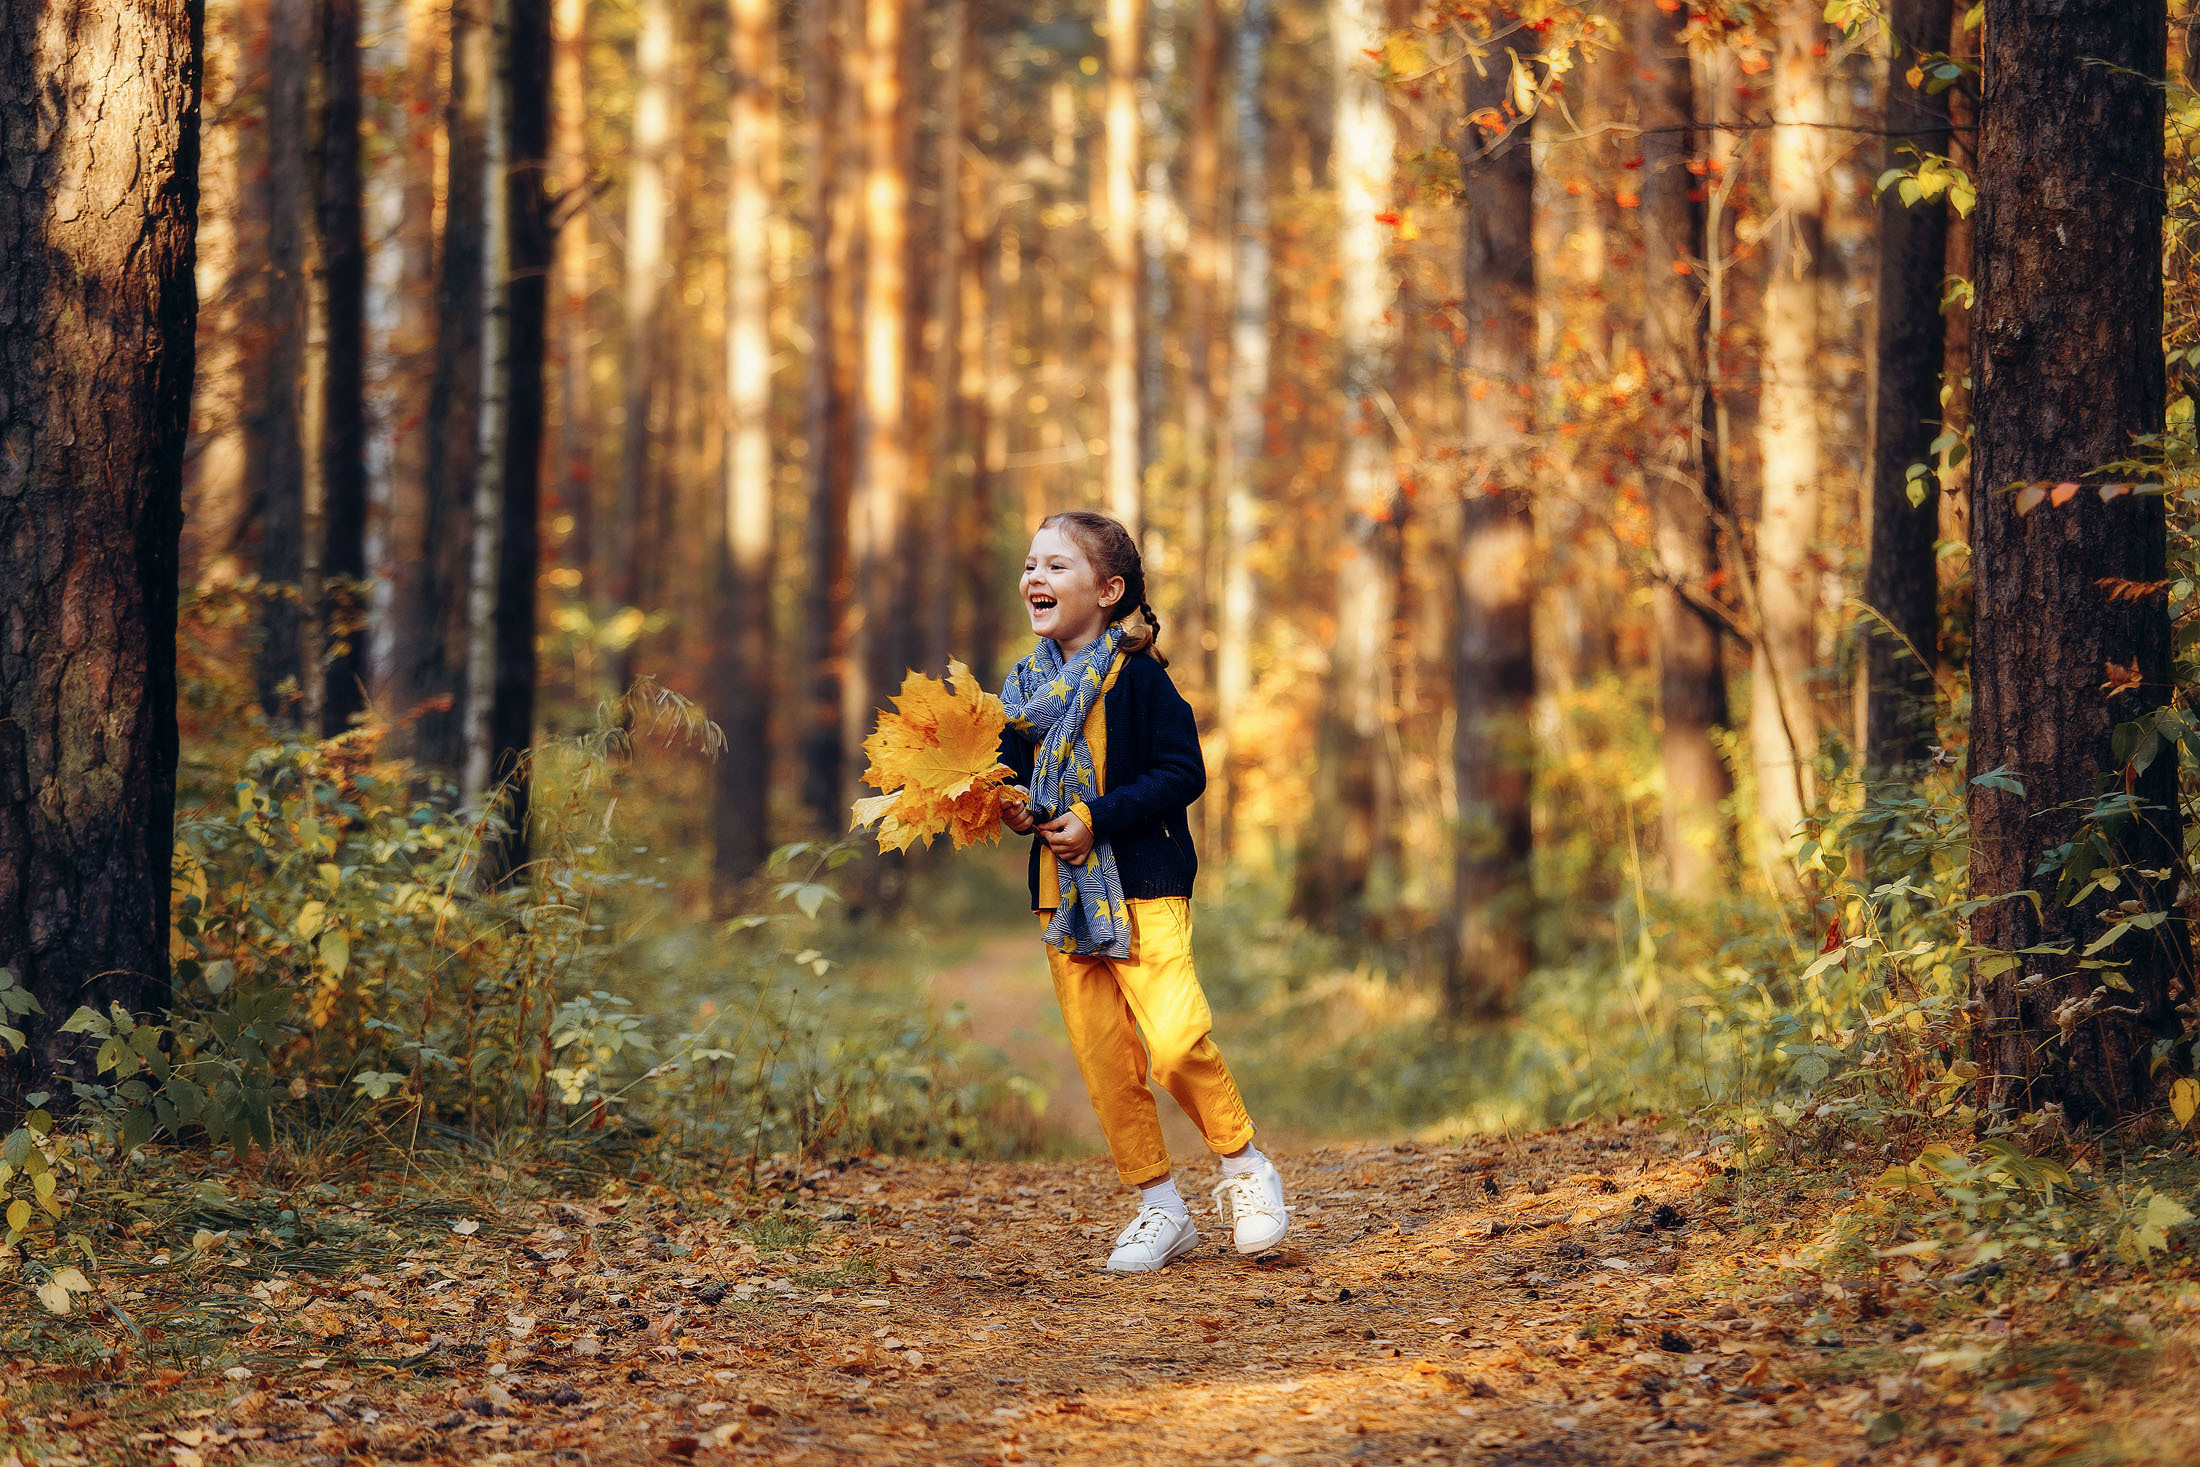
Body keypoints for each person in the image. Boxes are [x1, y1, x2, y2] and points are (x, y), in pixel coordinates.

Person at [998, 509, 1289, 1273]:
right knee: (1105, 1059)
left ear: (1108, 589)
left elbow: (1182, 771)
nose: (1036, 577)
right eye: (1030, 565)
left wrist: (1096, 817)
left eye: (1056, 565)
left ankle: (1246, 1168)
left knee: (1175, 1041)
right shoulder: (1024, 690)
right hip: (1062, 896)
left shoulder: (1139, 677)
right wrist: (1010, 803)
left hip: (1143, 886)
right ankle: (1161, 1207)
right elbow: (1008, 775)